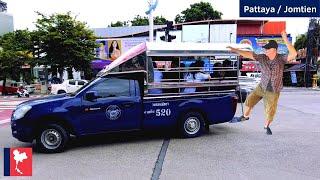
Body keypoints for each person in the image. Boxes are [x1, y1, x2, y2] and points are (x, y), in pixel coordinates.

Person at [227, 31, 297, 135]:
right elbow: (250, 54)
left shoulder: (281, 58)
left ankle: (266, 126)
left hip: (273, 90)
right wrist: (236, 50)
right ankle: (245, 117)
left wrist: (285, 38)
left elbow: (294, 54)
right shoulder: (262, 57)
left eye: (267, 48)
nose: (265, 50)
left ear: (274, 50)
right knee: (250, 100)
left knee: (270, 110)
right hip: (262, 86)